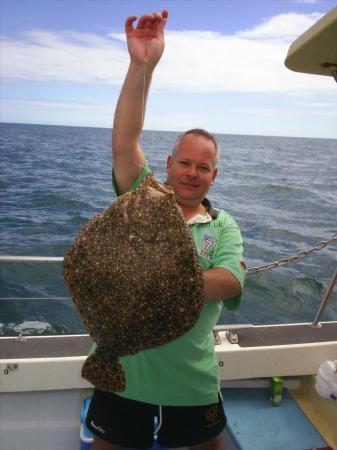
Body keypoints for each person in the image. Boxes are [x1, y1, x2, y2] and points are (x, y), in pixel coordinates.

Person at [86, 10, 246, 450]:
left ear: (215, 176)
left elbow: (229, 280)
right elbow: (124, 142)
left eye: (204, 167)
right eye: (186, 163)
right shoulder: (144, 198)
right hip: (123, 374)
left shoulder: (223, 224)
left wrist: (151, 278)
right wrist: (143, 65)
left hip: (192, 383)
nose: (193, 173)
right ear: (169, 164)